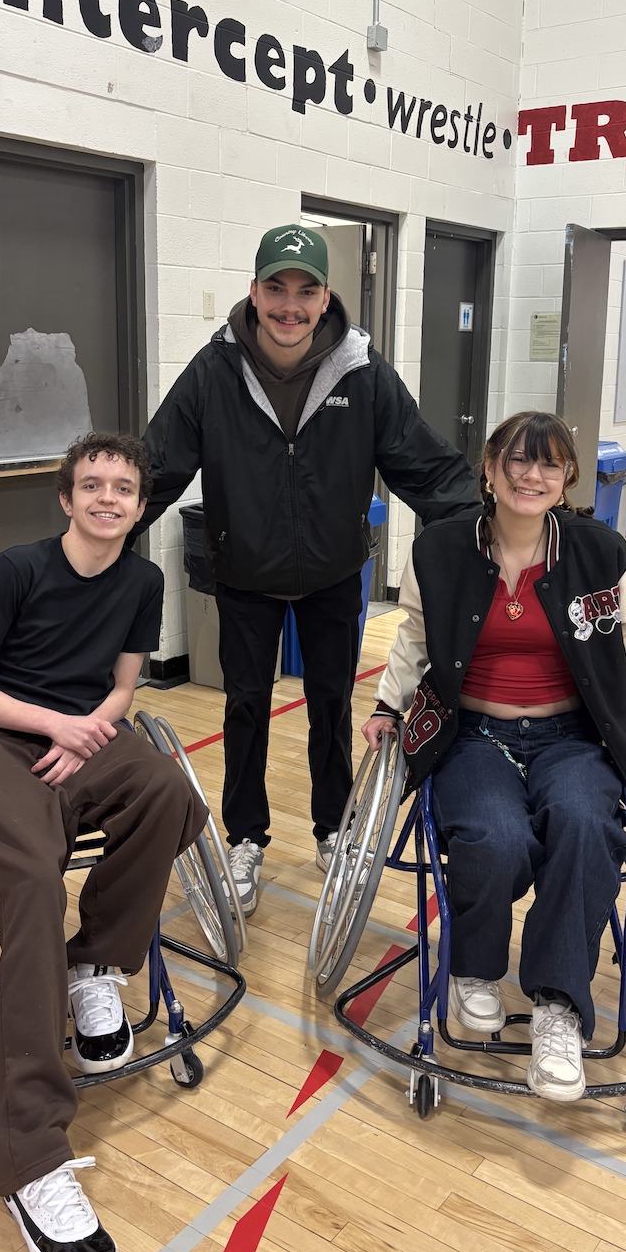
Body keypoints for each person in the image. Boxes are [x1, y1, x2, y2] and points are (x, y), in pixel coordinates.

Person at [141, 224, 476, 917]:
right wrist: (91, 539)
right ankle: (245, 838)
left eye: (306, 289)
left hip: (331, 573)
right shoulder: (214, 372)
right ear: (254, 292)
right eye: (276, 287)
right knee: (245, 711)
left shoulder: (364, 374)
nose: (290, 305)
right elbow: (157, 465)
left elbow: (427, 466)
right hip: (245, 573)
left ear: (326, 298)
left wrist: (496, 529)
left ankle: (334, 830)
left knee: (331, 709)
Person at [0, 432, 208, 1252]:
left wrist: (95, 727)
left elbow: (125, 682)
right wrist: (54, 722)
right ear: (66, 498)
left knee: (167, 790)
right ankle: (26, 1155)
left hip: (84, 739)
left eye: (122, 488)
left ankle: (95, 965)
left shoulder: (143, 577)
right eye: (91, 485)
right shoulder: (19, 568)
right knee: (33, 887)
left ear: (138, 503)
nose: (106, 498)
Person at [362, 411, 626, 1103]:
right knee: (494, 837)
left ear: (566, 481)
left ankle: (558, 1006)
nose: (533, 476)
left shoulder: (601, 552)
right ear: (491, 470)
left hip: (573, 736)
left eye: (551, 465)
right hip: (472, 732)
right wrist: (387, 705)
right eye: (520, 462)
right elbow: (415, 638)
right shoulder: (440, 549)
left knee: (588, 828)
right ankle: (474, 968)